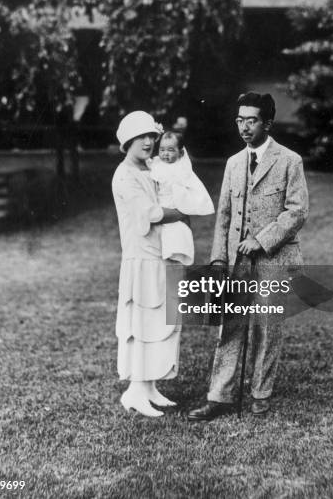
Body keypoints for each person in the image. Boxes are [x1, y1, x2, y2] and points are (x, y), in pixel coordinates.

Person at [188, 92, 309, 421]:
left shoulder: (289, 161)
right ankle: (219, 395)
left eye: (251, 120)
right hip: (236, 263)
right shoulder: (233, 163)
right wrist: (217, 260)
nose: (244, 126)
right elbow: (224, 218)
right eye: (239, 120)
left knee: (267, 326)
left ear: (267, 123)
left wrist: (262, 240)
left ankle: (261, 393)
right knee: (231, 325)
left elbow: (297, 212)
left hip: (275, 259)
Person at [112, 111, 188, 418]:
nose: (148, 142)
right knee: (141, 323)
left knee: (161, 322)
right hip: (141, 259)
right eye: (141, 137)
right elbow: (152, 213)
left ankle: (150, 386)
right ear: (128, 141)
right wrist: (182, 211)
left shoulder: (150, 168)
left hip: (161, 254)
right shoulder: (124, 175)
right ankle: (134, 391)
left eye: (151, 137)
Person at [149, 131, 214, 266]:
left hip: (175, 209)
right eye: (162, 150)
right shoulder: (156, 164)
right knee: (159, 249)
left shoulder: (182, 169)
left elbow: (194, 188)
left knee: (176, 243)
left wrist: (189, 205)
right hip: (160, 208)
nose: (165, 154)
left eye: (171, 150)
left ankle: (175, 266)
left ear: (181, 153)